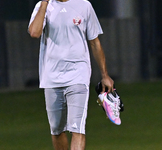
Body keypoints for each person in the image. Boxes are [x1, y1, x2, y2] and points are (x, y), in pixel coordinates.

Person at [28, 0, 114, 149]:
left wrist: (105, 75)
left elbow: (94, 42)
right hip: (51, 77)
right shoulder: (43, 6)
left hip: (78, 75)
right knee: (56, 130)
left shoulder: (84, 5)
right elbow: (35, 32)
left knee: (77, 128)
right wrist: (44, 5)